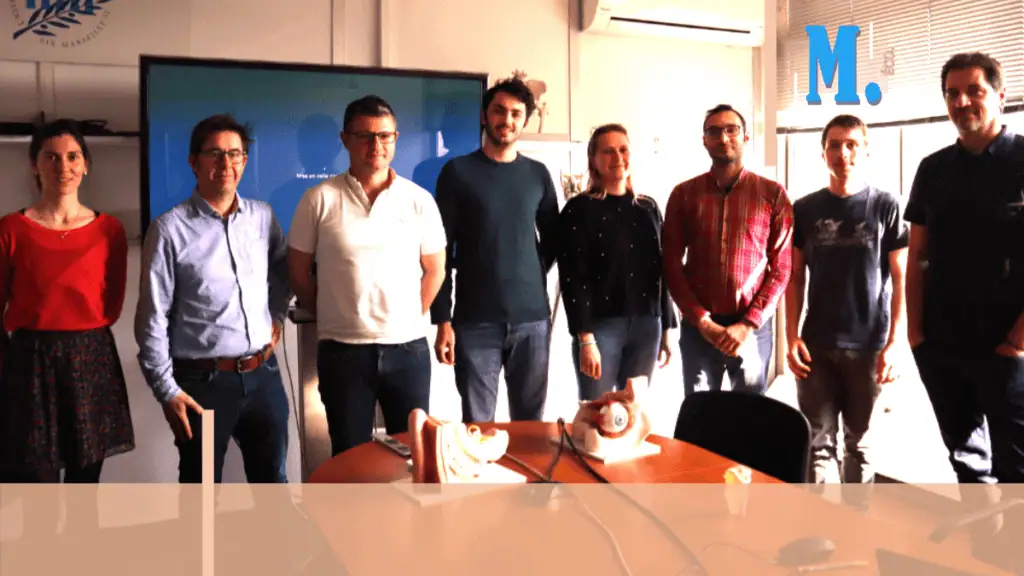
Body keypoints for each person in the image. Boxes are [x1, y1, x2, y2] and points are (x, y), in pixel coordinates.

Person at [905, 52, 1024, 547]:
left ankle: (1015, 558)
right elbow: (917, 255)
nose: (962, 102)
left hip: (1007, 348)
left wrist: (1018, 340)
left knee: (1016, 466)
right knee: (966, 460)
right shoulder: (933, 169)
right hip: (942, 344)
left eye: (974, 90)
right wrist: (915, 333)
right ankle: (985, 551)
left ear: (1000, 95)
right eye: (952, 93)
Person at [136, 113, 292, 484]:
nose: (226, 164)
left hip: (264, 378)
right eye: (215, 154)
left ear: (244, 161)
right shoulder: (169, 229)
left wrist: (277, 316)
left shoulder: (262, 217)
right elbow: (152, 317)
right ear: (194, 162)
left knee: (273, 484)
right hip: (203, 384)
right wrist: (166, 390)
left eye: (235, 154)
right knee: (201, 494)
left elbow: (282, 271)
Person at [288, 95, 447, 456]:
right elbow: (298, 272)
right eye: (365, 136)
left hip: (407, 351)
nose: (376, 145)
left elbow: (435, 269)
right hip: (343, 352)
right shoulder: (319, 199)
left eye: (385, 136)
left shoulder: (419, 200)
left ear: (395, 138)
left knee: (413, 455)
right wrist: (335, 312)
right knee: (350, 457)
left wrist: (409, 314)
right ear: (345, 139)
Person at [0, 119, 135, 485]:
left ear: (85, 164)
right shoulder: (10, 229)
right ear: (34, 164)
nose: (64, 166)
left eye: (73, 156)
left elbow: (113, 301)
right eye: (52, 157)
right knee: (32, 484)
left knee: (85, 484)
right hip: (29, 362)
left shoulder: (109, 230)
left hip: (90, 359)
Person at [785, 114, 908, 511]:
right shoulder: (804, 209)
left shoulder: (886, 206)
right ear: (823, 154)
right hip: (816, 346)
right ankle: (823, 524)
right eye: (835, 145)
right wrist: (791, 336)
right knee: (818, 442)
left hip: (869, 347)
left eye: (852, 144)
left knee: (861, 445)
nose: (843, 153)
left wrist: (896, 343)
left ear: (866, 151)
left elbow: (901, 279)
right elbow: (794, 278)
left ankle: (856, 525)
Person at [430, 77, 560, 423]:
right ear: (484, 116)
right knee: (478, 427)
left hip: (532, 321)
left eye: (516, 113)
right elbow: (439, 250)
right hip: (474, 322)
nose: (507, 120)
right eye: (499, 111)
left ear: (525, 120)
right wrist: (442, 319)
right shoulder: (457, 172)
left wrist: (526, 270)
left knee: (531, 427)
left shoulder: (538, 174)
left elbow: (553, 239)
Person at [662, 104, 793, 400]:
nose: (723, 138)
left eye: (731, 130)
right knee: (699, 413)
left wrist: (748, 324)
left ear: (746, 136)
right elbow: (671, 263)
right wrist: (701, 320)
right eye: (714, 131)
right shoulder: (684, 195)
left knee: (749, 416)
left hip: (752, 330)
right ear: (704, 140)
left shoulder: (772, 195)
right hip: (699, 330)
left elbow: (782, 268)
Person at [556, 123, 676, 401]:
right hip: (600, 328)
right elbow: (573, 278)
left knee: (633, 411)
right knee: (596, 410)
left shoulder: (648, 208)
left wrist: (667, 329)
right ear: (593, 161)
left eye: (623, 150)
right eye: (608, 151)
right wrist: (585, 338)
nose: (618, 158)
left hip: (647, 325)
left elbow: (661, 271)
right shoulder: (578, 210)